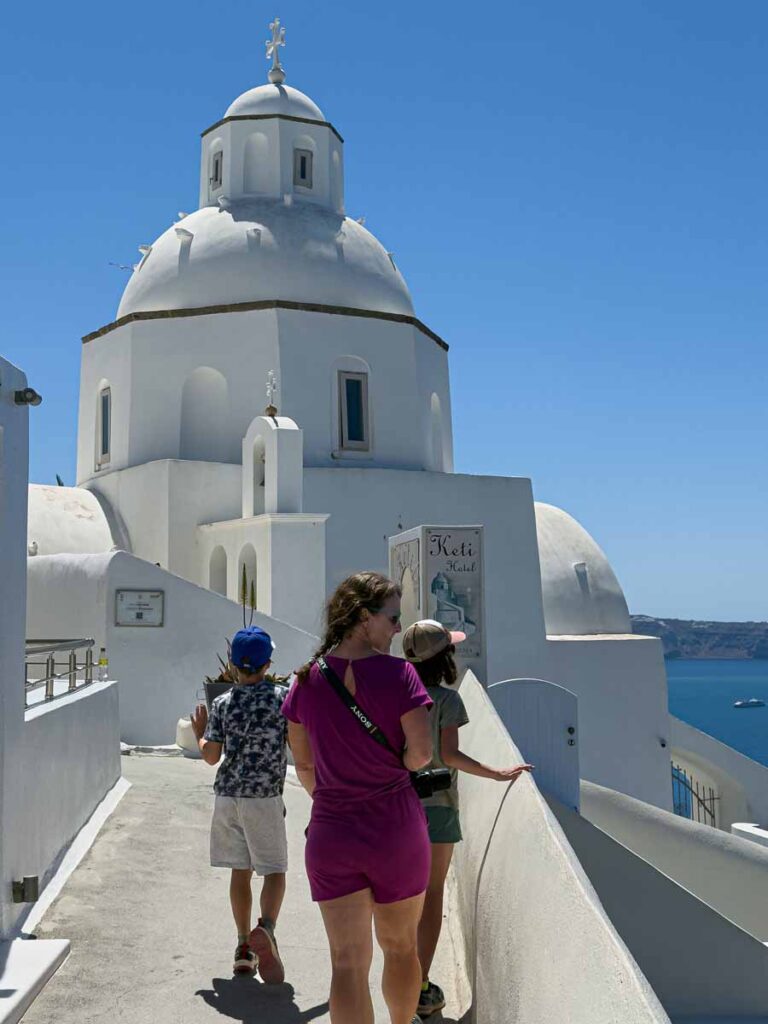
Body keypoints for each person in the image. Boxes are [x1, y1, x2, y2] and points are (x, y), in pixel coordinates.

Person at [282, 572, 433, 1024]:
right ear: (365, 618)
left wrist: (332, 801)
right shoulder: (400, 674)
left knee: (347, 964)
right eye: (392, 618)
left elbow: (304, 767)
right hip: (396, 831)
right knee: (401, 948)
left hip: (332, 834)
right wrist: (400, 766)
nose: (396, 629)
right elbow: (422, 753)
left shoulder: (305, 681)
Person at [402, 619, 534, 1019]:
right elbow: (451, 755)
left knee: (402, 899)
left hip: (397, 807)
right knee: (431, 896)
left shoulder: (395, 697)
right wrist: (497, 773)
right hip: (438, 807)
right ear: (443, 658)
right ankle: (420, 987)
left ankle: (400, 979)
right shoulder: (446, 701)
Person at [191, 625, 288, 984]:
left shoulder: (222, 703)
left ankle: (243, 947)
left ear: (232, 665)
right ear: (268, 663)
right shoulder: (282, 698)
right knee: (275, 870)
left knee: (240, 871)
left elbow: (211, 757)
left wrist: (201, 732)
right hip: (263, 797)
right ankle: (267, 928)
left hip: (228, 797)